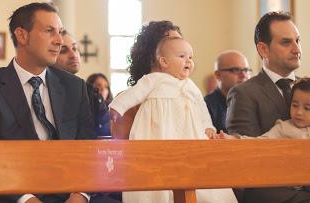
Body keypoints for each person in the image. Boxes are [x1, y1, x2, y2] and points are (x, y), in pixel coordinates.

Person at [0, 2, 96, 203]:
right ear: (22, 35)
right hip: (15, 195)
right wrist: (26, 199)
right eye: (50, 31)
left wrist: (80, 195)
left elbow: (88, 149)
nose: (59, 40)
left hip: (69, 193)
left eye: (60, 32)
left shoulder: (74, 88)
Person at [109, 33, 236, 202]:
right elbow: (134, 94)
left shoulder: (190, 85)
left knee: (204, 182)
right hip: (158, 134)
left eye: (191, 57)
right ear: (164, 62)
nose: (188, 61)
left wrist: (209, 127)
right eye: (182, 56)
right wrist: (117, 108)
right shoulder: (153, 80)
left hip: (189, 137)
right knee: (158, 181)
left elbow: (201, 108)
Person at [226, 11, 304, 203]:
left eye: (298, 40)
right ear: (263, 49)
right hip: (270, 193)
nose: (297, 49)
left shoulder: (306, 87)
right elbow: (246, 159)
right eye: (286, 42)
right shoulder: (244, 94)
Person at [54, 31, 111, 137]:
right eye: (63, 51)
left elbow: (105, 131)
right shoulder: (43, 90)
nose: (73, 55)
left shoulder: (92, 94)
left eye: (75, 49)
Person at [221, 78, 310, 141]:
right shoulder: (282, 128)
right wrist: (233, 139)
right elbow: (260, 141)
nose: (299, 112)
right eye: (295, 105)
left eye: (307, 108)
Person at [204, 50, 251, 132]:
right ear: (218, 75)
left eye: (246, 70)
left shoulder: (255, 102)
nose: (244, 75)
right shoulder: (206, 107)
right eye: (236, 70)